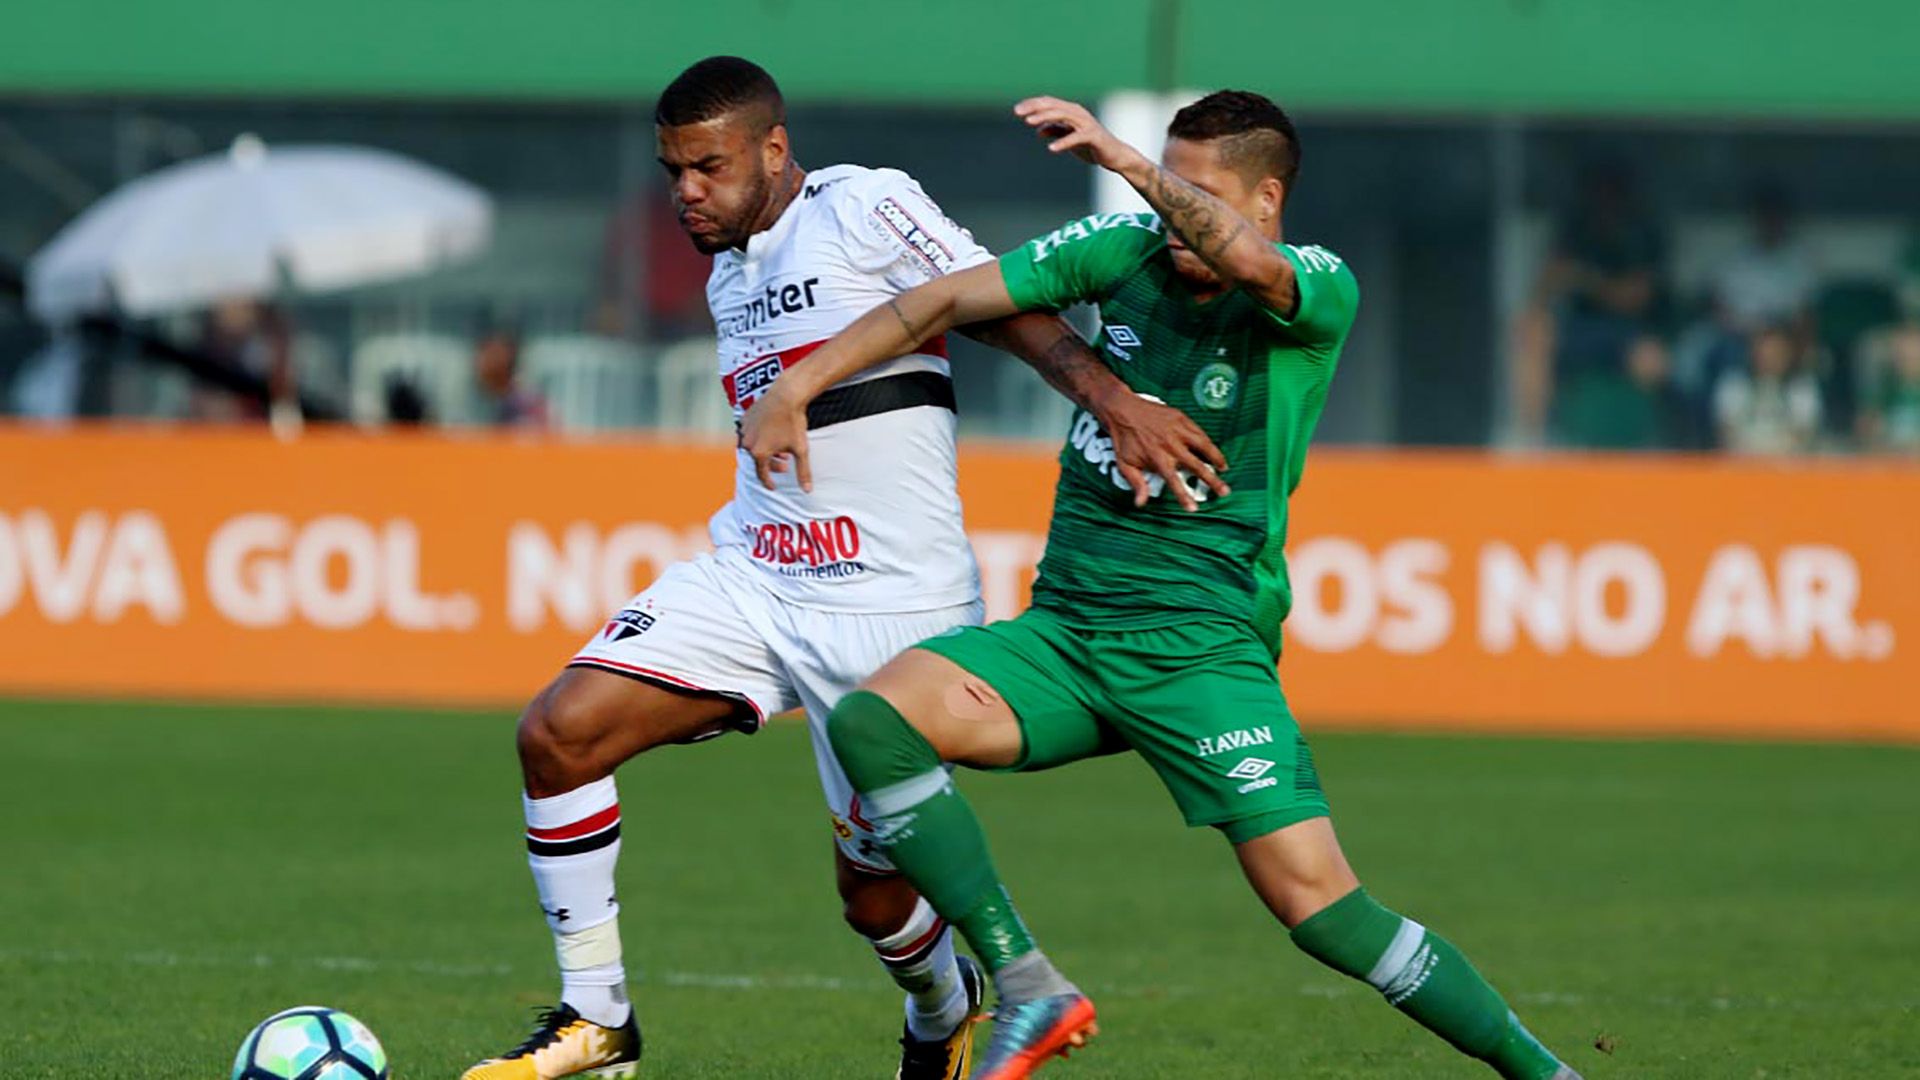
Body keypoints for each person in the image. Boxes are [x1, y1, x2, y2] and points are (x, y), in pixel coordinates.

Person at [743, 90, 1583, 1080]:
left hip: (1202, 650)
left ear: (1266, 197)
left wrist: (1134, 163)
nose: (1170, 212)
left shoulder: (1316, 288)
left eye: (1200, 190)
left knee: (1323, 912)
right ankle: (1027, 987)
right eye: (1166, 182)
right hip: (1066, 635)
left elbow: (1253, 263)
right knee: (872, 724)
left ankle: (1548, 1075)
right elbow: (940, 298)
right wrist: (793, 388)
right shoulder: (1125, 248)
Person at [459, 57, 1225, 1080]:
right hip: (756, 573)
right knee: (558, 735)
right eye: (672, 170)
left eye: (709, 166)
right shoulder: (728, 267)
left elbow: (992, 301)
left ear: (775, 152)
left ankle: (941, 1012)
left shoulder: (864, 203)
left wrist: (1111, 401)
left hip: (892, 611)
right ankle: (597, 1022)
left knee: (872, 897)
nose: (686, 190)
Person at [1512, 161, 1666, 445]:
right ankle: (1533, 443)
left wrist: (1586, 279)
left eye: (1612, 191)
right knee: (1533, 332)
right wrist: (1547, 295)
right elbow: (1547, 283)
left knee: (1651, 359)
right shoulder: (1576, 229)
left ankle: (1648, 447)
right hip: (1579, 327)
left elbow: (1634, 297)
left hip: (1628, 330)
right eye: (1599, 191)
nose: (1605, 199)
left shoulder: (1641, 233)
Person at [1712, 323, 1823, 455]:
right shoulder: (1733, 383)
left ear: (1788, 354)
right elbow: (1726, 431)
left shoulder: (1802, 386)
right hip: (1742, 462)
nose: (1770, 358)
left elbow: (1804, 433)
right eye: (1765, 352)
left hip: (1789, 463)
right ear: (1754, 353)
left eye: (1776, 353)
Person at [1856, 321, 1920, 453]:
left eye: (1914, 351)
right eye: (1903, 351)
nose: (1909, 355)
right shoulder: (1881, 395)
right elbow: (1865, 438)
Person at [473, 320, 549, 429]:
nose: (489, 361)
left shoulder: (528, 404)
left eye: (496, 354)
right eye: (484, 352)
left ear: (511, 358)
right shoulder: (467, 402)